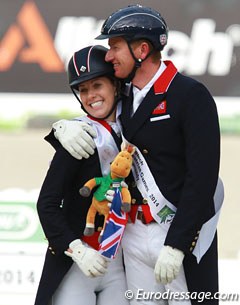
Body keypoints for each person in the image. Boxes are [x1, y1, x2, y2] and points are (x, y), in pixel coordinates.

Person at [52, 5, 224, 305]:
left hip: (176, 234)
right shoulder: (125, 96)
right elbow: (99, 118)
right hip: (133, 236)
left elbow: (203, 177)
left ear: (142, 49)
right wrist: (60, 128)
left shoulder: (191, 95)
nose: (108, 56)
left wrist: (177, 244)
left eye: (115, 47)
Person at [34, 45, 130, 305]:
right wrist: (77, 249)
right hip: (78, 263)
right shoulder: (77, 137)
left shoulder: (134, 127)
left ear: (115, 85)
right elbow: (47, 204)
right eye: (83, 90)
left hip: (122, 262)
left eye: (97, 85)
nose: (90, 96)